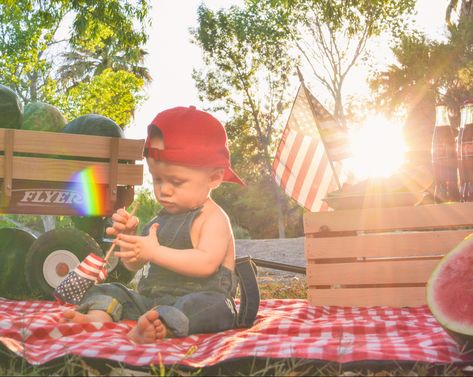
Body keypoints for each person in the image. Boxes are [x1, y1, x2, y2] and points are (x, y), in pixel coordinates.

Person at [62, 106, 245, 343]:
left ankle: (164, 325)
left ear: (214, 178)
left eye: (176, 182)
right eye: (157, 179)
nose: (163, 191)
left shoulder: (212, 218)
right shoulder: (160, 220)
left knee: (217, 307)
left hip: (199, 298)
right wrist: (130, 240)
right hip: (152, 301)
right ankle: (98, 317)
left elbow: (206, 264)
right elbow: (133, 265)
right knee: (113, 289)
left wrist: (155, 251)